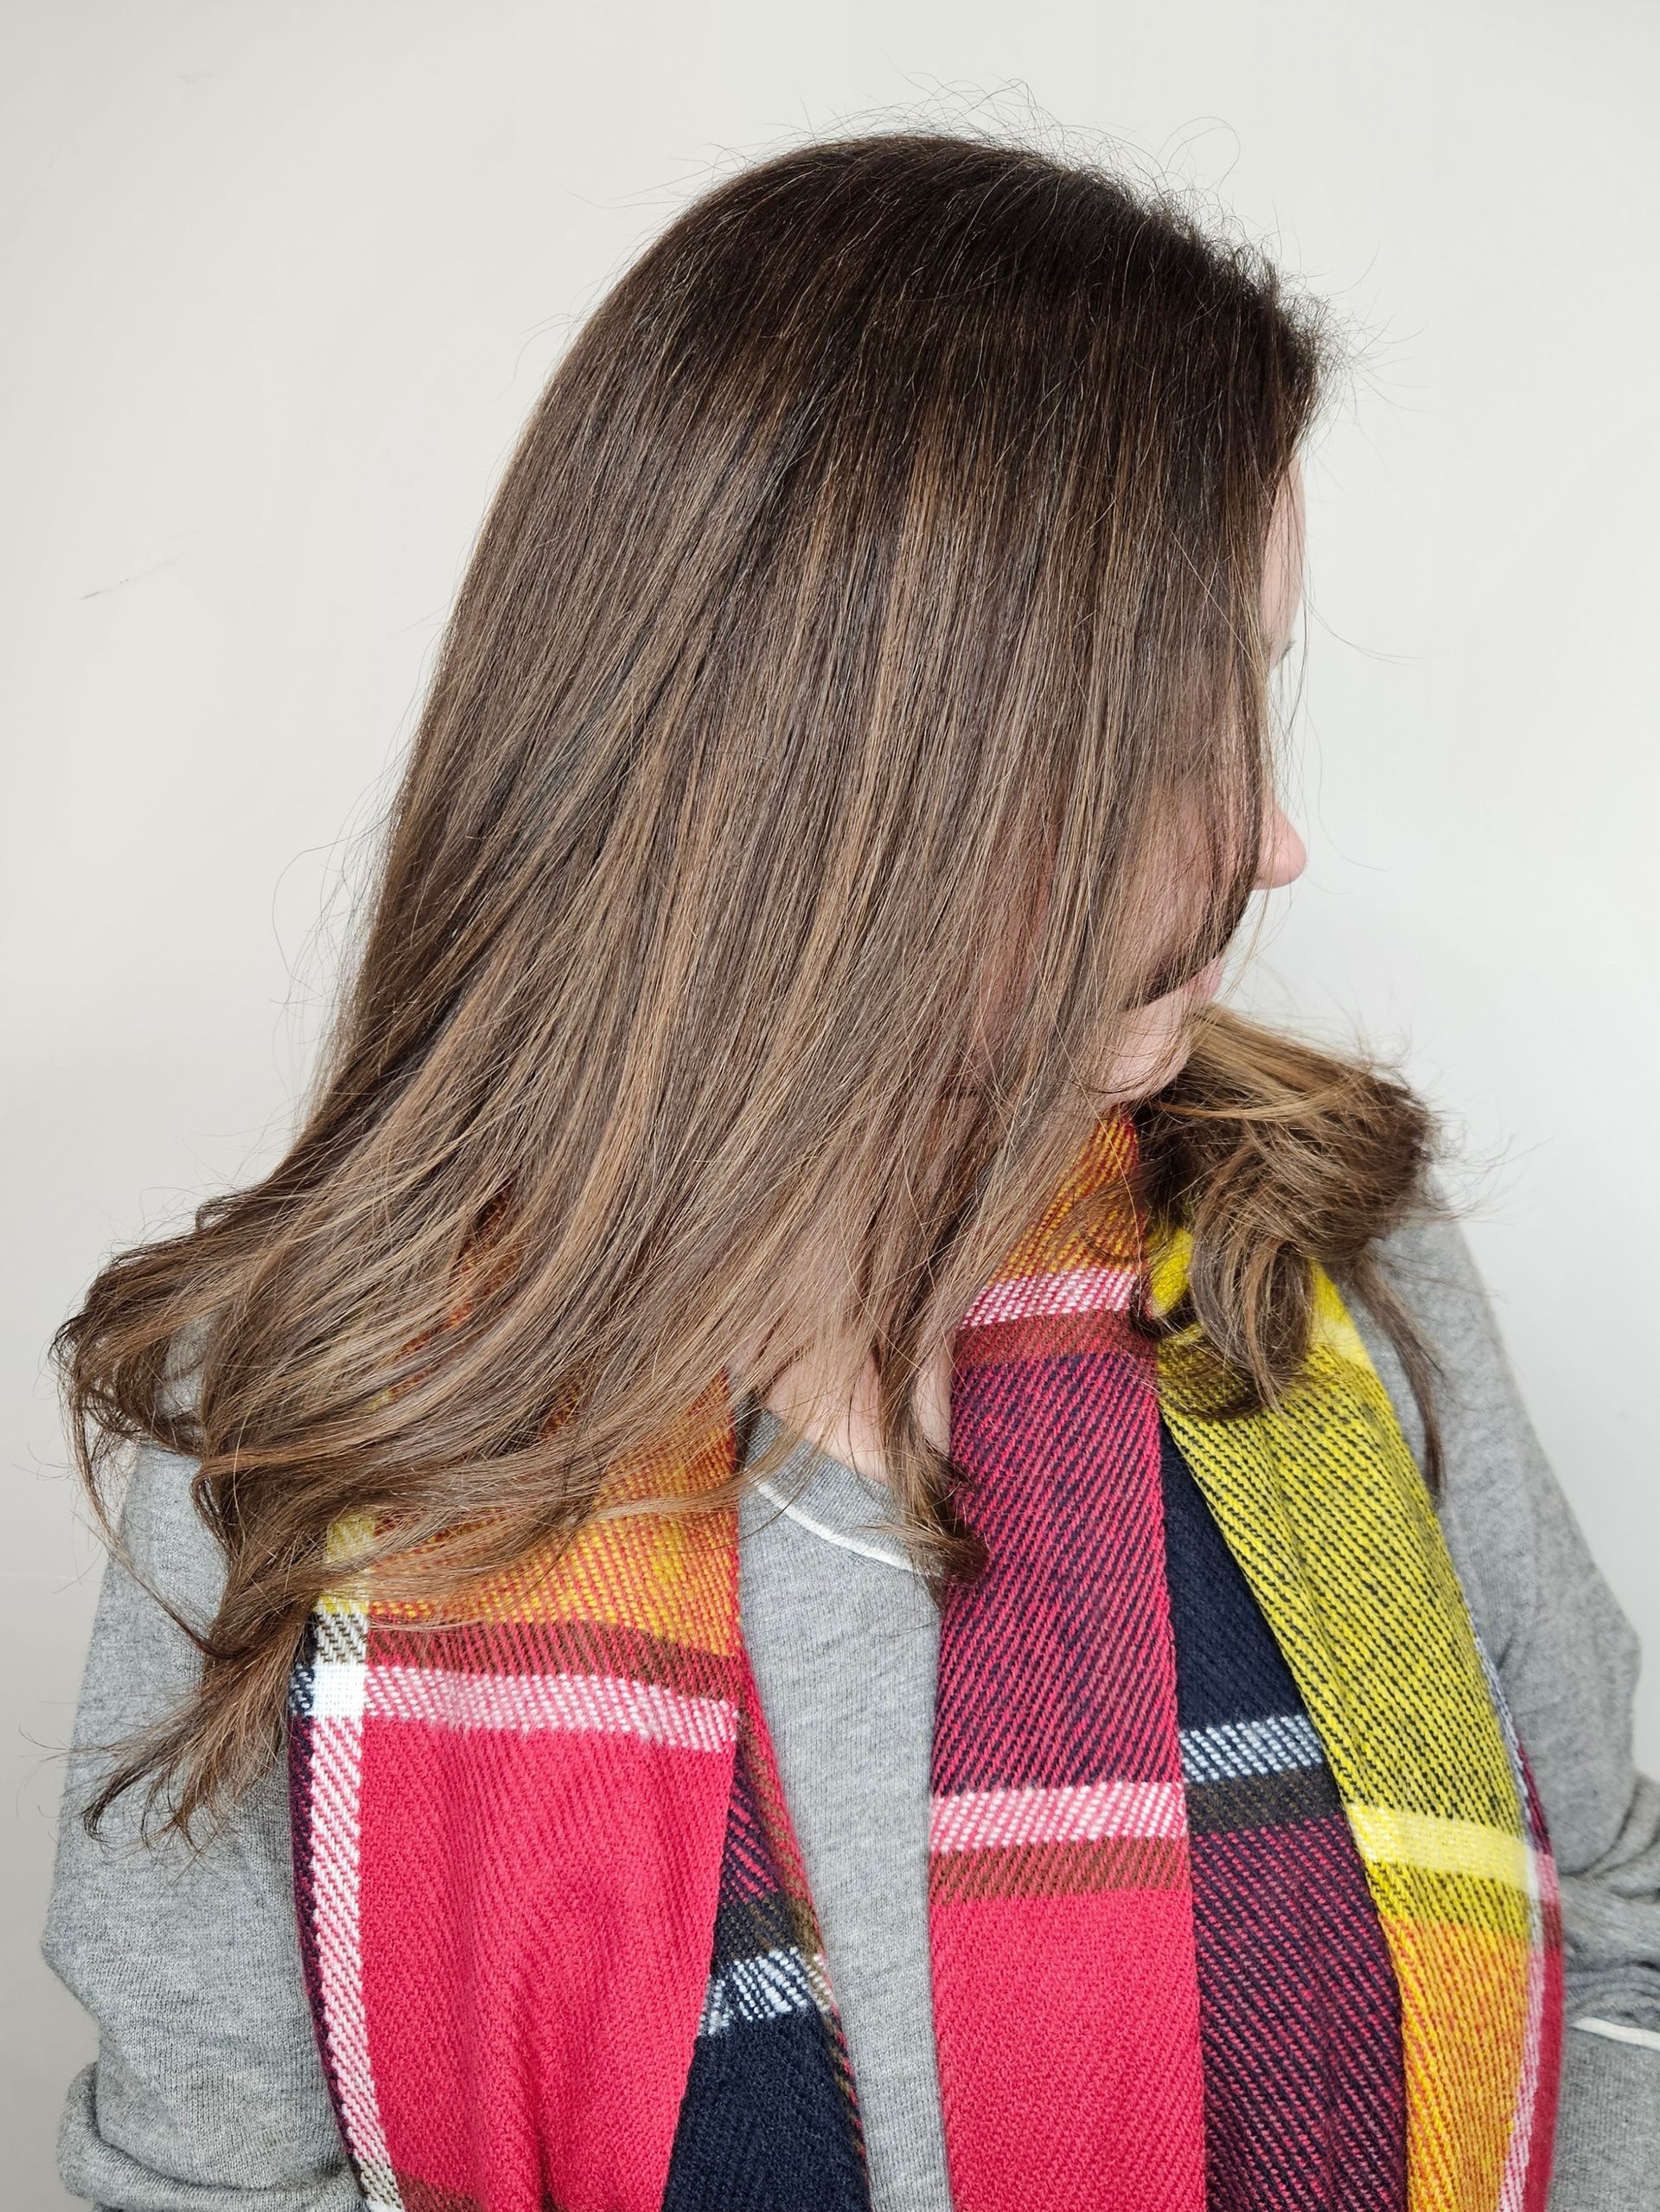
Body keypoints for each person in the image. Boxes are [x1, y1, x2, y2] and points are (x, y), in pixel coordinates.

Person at [42, 131, 1657, 2212]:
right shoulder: (289, 1439)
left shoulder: (1310, 1257)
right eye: (1178, 719)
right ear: (863, 754)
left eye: (1260, 695)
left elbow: (1612, 1930)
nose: (1271, 839)